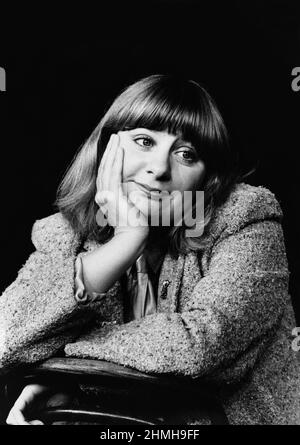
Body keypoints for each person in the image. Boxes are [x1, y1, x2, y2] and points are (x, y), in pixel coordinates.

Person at [1, 74, 299, 425]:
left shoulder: (246, 218)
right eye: (144, 141)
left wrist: (62, 368)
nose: (159, 168)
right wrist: (127, 239)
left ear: (206, 177)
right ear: (105, 147)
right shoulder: (64, 234)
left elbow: (197, 346)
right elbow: (7, 335)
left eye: (186, 154)